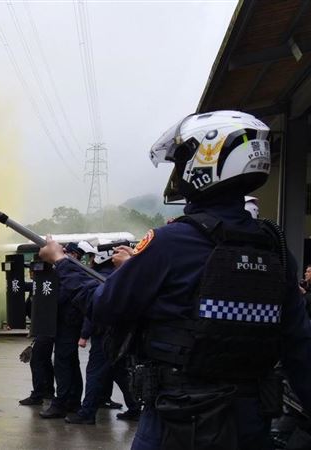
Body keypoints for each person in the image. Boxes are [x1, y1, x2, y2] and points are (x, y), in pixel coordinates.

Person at [39, 110, 311, 449]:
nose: (179, 173)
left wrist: (62, 262)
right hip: (251, 421)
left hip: (178, 420)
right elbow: (299, 345)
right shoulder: (276, 249)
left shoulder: (171, 243)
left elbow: (104, 307)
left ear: (206, 160)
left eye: (182, 161)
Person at [65, 246, 138, 425]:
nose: (89, 260)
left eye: (91, 256)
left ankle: (87, 413)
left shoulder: (99, 278)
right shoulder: (120, 274)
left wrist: (84, 335)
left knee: (94, 373)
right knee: (119, 371)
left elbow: (94, 310)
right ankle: (135, 408)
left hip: (104, 335)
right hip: (120, 334)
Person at [38, 244, 85, 419]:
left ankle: (61, 403)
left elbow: (59, 298)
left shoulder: (71, 274)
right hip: (68, 326)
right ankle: (73, 401)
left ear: (73, 255)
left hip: (68, 326)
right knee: (71, 365)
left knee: (64, 365)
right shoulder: (75, 272)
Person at [20, 267, 55, 405]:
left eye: (33, 270)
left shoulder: (46, 285)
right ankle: (48, 391)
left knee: (37, 361)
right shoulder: (35, 286)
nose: (31, 273)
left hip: (46, 329)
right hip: (41, 329)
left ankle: (38, 394)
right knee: (45, 361)